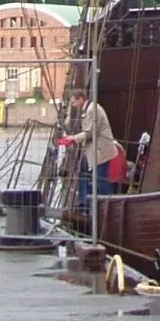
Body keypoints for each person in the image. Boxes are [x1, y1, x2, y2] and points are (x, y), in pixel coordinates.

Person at [61, 88, 117, 225]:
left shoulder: (93, 110)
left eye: (74, 102)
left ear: (81, 99)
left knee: (101, 180)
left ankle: (108, 209)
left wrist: (72, 139)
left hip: (100, 151)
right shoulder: (88, 110)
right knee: (82, 171)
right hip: (94, 151)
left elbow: (90, 133)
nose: (73, 105)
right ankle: (84, 203)